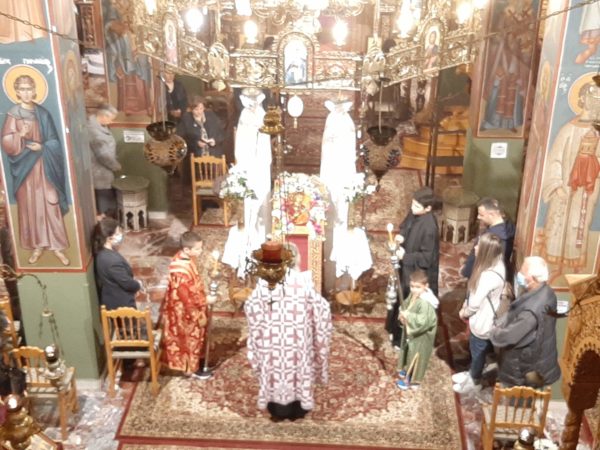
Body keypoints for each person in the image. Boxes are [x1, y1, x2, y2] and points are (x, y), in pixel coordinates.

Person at [244, 244, 332, 421]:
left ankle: (276, 410)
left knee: (274, 371)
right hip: (297, 340)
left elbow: (251, 306)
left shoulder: (265, 282)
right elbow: (321, 308)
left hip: (272, 340)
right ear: (296, 259)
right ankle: (296, 409)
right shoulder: (302, 283)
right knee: (297, 371)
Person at [1, 74, 70, 266]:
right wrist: (19, 136)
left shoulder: (43, 114)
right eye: (22, 89)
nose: (26, 93)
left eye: (29, 89)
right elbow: (6, 143)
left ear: (35, 90)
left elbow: (55, 141)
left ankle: (57, 246)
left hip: (45, 166)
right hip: (25, 170)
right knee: (31, 206)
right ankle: (37, 246)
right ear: (16, 92)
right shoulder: (13, 114)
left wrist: (42, 147)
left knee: (50, 202)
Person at [539, 82, 600, 280]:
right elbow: (555, 159)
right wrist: (557, 186)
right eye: (592, 98)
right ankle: (556, 267)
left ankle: (577, 269)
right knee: (558, 225)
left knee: (578, 225)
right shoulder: (568, 129)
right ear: (582, 99)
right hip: (565, 187)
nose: (596, 102)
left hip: (587, 189)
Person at [490, 256, 561, 388]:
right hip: (539, 358)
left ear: (532, 278)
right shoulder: (547, 291)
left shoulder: (531, 311)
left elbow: (510, 336)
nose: (519, 274)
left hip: (524, 366)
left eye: (522, 272)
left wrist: (493, 332)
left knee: (520, 395)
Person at [385, 187, 439, 348]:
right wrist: (401, 236)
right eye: (412, 204)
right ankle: (394, 330)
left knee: (408, 305)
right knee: (399, 299)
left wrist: (405, 257)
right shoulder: (415, 212)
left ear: (428, 208)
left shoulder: (430, 228)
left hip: (416, 273)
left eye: (416, 206)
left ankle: (403, 340)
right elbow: (406, 225)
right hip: (406, 267)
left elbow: (426, 258)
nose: (412, 208)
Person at [453, 233, 506, 394]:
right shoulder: (497, 263)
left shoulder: (488, 276)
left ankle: (474, 380)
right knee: (477, 349)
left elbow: (475, 304)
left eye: (479, 246)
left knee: (477, 351)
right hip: (485, 315)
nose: (475, 247)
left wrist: (464, 312)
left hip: (483, 320)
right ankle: (472, 372)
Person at [162, 231, 208, 377]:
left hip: (187, 305)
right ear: (187, 249)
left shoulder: (184, 258)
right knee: (190, 339)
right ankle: (191, 369)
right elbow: (186, 297)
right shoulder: (180, 270)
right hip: (185, 312)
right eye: (198, 249)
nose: (201, 251)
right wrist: (203, 305)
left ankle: (193, 363)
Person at [395, 270, 438, 391]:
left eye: (418, 287)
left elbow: (423, 322)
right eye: (412, 286)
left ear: (426, 286)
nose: (414, 290)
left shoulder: (425, 303)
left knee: (416, 356)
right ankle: (407, 369)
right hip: (413, 332)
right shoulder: (414, 295)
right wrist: (402, 312)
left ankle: (411, 380)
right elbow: (406, 304)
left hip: (422, 336)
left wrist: (408, 316)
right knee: (409, 351)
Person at [93, 217, 141, 310]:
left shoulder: (103, 251)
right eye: (118, 233)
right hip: (121, 304)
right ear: (109, 238)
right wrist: (138, 285)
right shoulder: (112, 261)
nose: (121, 235)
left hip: (112, 296)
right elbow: (127, 283)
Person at [461, 197, 515, 280]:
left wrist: (466, 271)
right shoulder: (509, 227)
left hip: (482, 276)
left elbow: (479, 258)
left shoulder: (491, 238)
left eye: (481, 215)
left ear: (491, 215)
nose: (478, 217)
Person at [176, 95, 225, 185]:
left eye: (201, 109)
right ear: (191, 109)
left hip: (213, 153)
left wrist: (215, 141)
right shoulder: (186, 119)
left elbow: (221, 134)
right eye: (196, 109)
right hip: (195, 155)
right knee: (195, 171)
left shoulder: (211, 116)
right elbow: (180, 138)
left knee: (218, 173)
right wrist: (196, 143)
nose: (199, 112)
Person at [88, 104, 121, 217]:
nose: (112, 122)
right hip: (99, 171)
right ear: (103, 116)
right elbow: (102, 154)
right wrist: (115, 165)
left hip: (104, 170)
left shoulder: (100, 126)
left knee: (107, 199)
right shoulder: (93, 131)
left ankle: (109, 220)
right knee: (105, 201)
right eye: (111, 119)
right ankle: (106, 222)